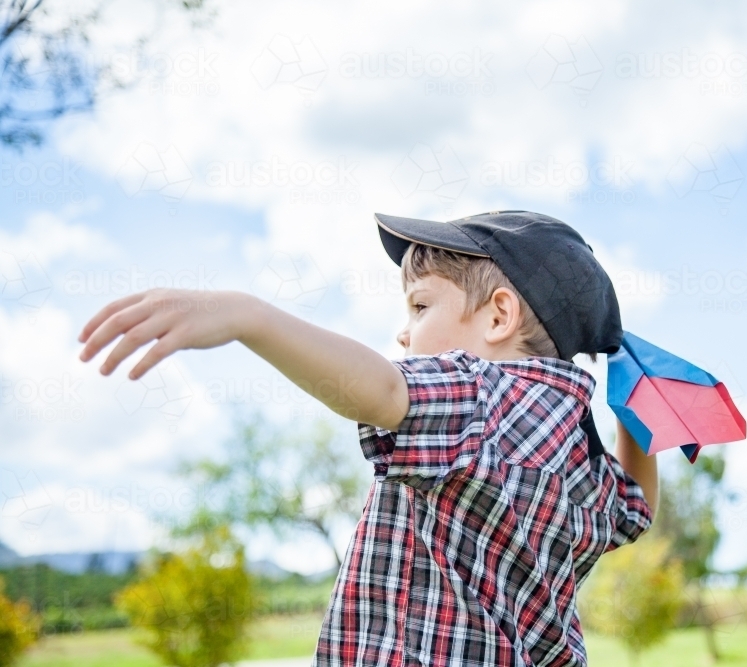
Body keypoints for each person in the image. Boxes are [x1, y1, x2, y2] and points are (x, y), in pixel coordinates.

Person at [77, 210, 657, 666]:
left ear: (499, 317)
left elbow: (380, 390)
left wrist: (245, 315)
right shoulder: (582, 461)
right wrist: (639, 396)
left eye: (421, 304)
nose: (403, 333)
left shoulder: (480, 396)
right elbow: (637, 505)